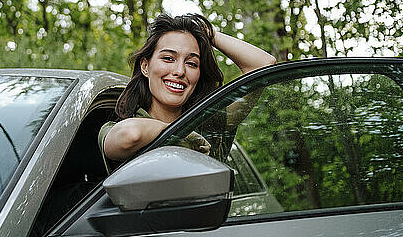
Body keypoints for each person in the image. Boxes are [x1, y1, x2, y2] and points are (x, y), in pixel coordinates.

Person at [98, 13, 276, 173]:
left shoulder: (209, 124)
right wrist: (180, 133)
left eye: (192, 63)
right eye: (168, 58)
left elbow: (263, 64)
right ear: (145, 66)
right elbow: (129, 136)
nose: (179, 71)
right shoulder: (115, 127)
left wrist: (207, 33)